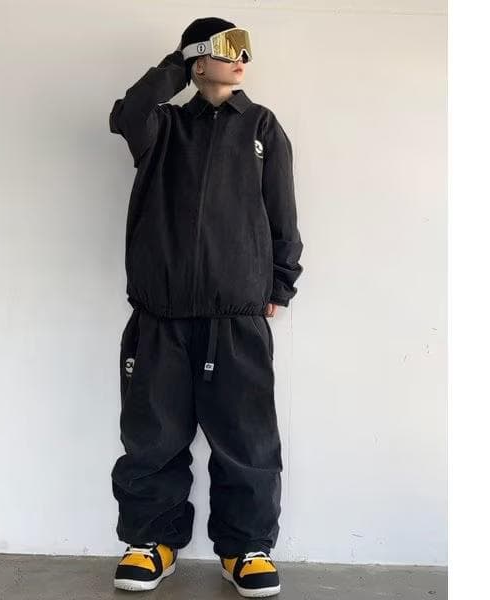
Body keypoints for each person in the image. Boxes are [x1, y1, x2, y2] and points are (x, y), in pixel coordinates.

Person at [108, 17, 303, 597]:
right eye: (228, 47)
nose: (242, 57)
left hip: (235, 316)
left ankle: (245, 549)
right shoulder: (162, 126)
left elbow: (281, 212)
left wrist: (280, 284)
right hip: (160, 314)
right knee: (153, 435)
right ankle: (152, 542)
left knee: (246, 438)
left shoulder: (262, 126)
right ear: (198, 59)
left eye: (246, 47)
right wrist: (178, 64)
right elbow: (128, 113)